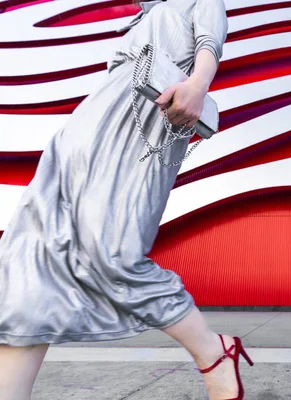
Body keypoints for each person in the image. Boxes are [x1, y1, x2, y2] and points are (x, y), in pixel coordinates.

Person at [0, 0, 252, 399]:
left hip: (143, 123)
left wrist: (198, 85)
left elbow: (210, 44)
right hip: (84, 132)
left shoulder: (197, 1)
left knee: (112, 250)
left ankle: (213, 352)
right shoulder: (144, 17)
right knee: (32, 250)